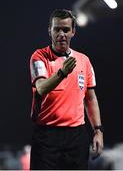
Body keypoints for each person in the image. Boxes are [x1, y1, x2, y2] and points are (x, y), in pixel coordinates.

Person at [29, 9, 103, 170]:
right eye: (57, 29)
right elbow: (41, 88)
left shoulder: (84, 60)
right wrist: (62, 73)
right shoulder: (39, 56)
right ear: (50, 31)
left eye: (66, 29)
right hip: (46, 135)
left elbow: (91, 98)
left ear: (73, 32)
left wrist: (98, 130)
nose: (61, 34)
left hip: (76, 136)